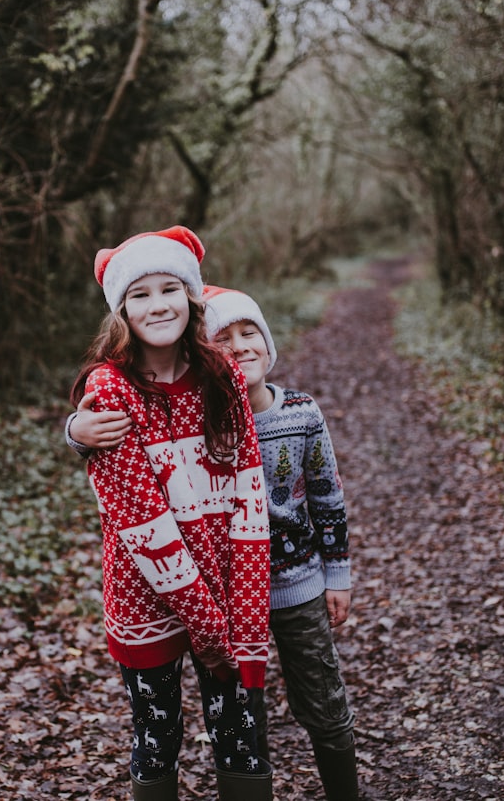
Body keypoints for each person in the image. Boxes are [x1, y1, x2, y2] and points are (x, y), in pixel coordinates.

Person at [68, 285, 361, 800]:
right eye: (226, 338)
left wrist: (336, 572)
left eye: (252, 335)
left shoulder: (267, 401)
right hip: (183, 587)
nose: (241, 347)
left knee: (280, 713)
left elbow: (324, 495)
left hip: (264, 583)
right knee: (191, 727)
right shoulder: (158, 387)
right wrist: (76, 429)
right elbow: (128, 457)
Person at [70, 228, 274, 801]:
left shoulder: (222, 374)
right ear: (121, 310)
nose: (158, 304)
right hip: (147, 595)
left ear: (192, 297)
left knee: (242, 735)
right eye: (141, 294)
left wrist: (244, 611)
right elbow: (142, 522)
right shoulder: (110, 390)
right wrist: (208, 628)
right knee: (157, 734)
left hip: (229, 587)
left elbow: (248, 493)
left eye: (170, 289)